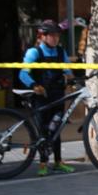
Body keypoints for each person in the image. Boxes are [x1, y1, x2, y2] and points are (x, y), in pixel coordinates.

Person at [19, 20, 74, 176]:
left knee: (56, 129)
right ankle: (43, 164)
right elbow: (23, 73)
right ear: (42, 36)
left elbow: (68, 69)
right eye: (52, 35)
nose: (56, 39)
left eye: (57, 35)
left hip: (57, 96)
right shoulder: (34, 52)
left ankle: (58, 162)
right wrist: (34, 85)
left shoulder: (60, 51)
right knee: (43, 129)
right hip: (40, 97)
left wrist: (71, 81)